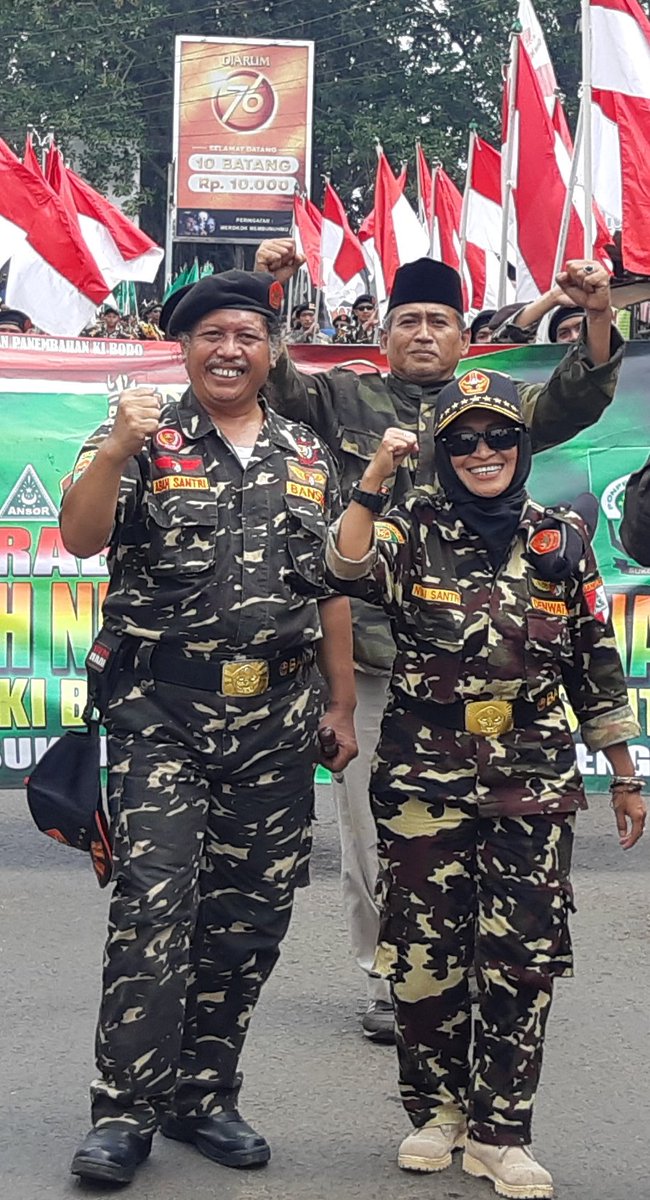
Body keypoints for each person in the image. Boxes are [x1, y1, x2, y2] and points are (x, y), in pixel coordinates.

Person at [255, 237, 624, 1043]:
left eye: (440, 322)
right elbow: (273, 378)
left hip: (485, 670)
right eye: (409, 320)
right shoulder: (345, 402)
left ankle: (465, 965)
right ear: (384, 334)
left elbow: (580, 395)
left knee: (476, 826)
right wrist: (267, 288)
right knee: (369, 831)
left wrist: (595, 310)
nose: (424, 334)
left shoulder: (491, 405)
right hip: (376, 659)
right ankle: (389, 976)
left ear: (464, 336)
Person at [60, 270, 357, 1185]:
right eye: (211, 335)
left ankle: (203, 1095)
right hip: (163, 715)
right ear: (183, 347)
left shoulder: (310, 453)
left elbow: (331, 589)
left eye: (249, 336)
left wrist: (341, 702)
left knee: (250, 916)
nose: (230, 351)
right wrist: (116, 448)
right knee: (154, 905)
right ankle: (124, 1111)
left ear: (275, 350)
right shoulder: (143, 437)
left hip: (277, 719)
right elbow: (78, 535)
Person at [325, 368, 646, 1200]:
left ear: (522, 445)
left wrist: (622, 771)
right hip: (424, 781)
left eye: (498, 436)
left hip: (531, 779)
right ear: (444, 453)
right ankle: (437, 1114)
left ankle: (503, 1130)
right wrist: (373, 479)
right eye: (462, 441)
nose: (481, 452)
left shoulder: (559, 538)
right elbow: (346, 564)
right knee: (426, 958)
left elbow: (594, 660)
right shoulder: (409, 528)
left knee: (521, 957)